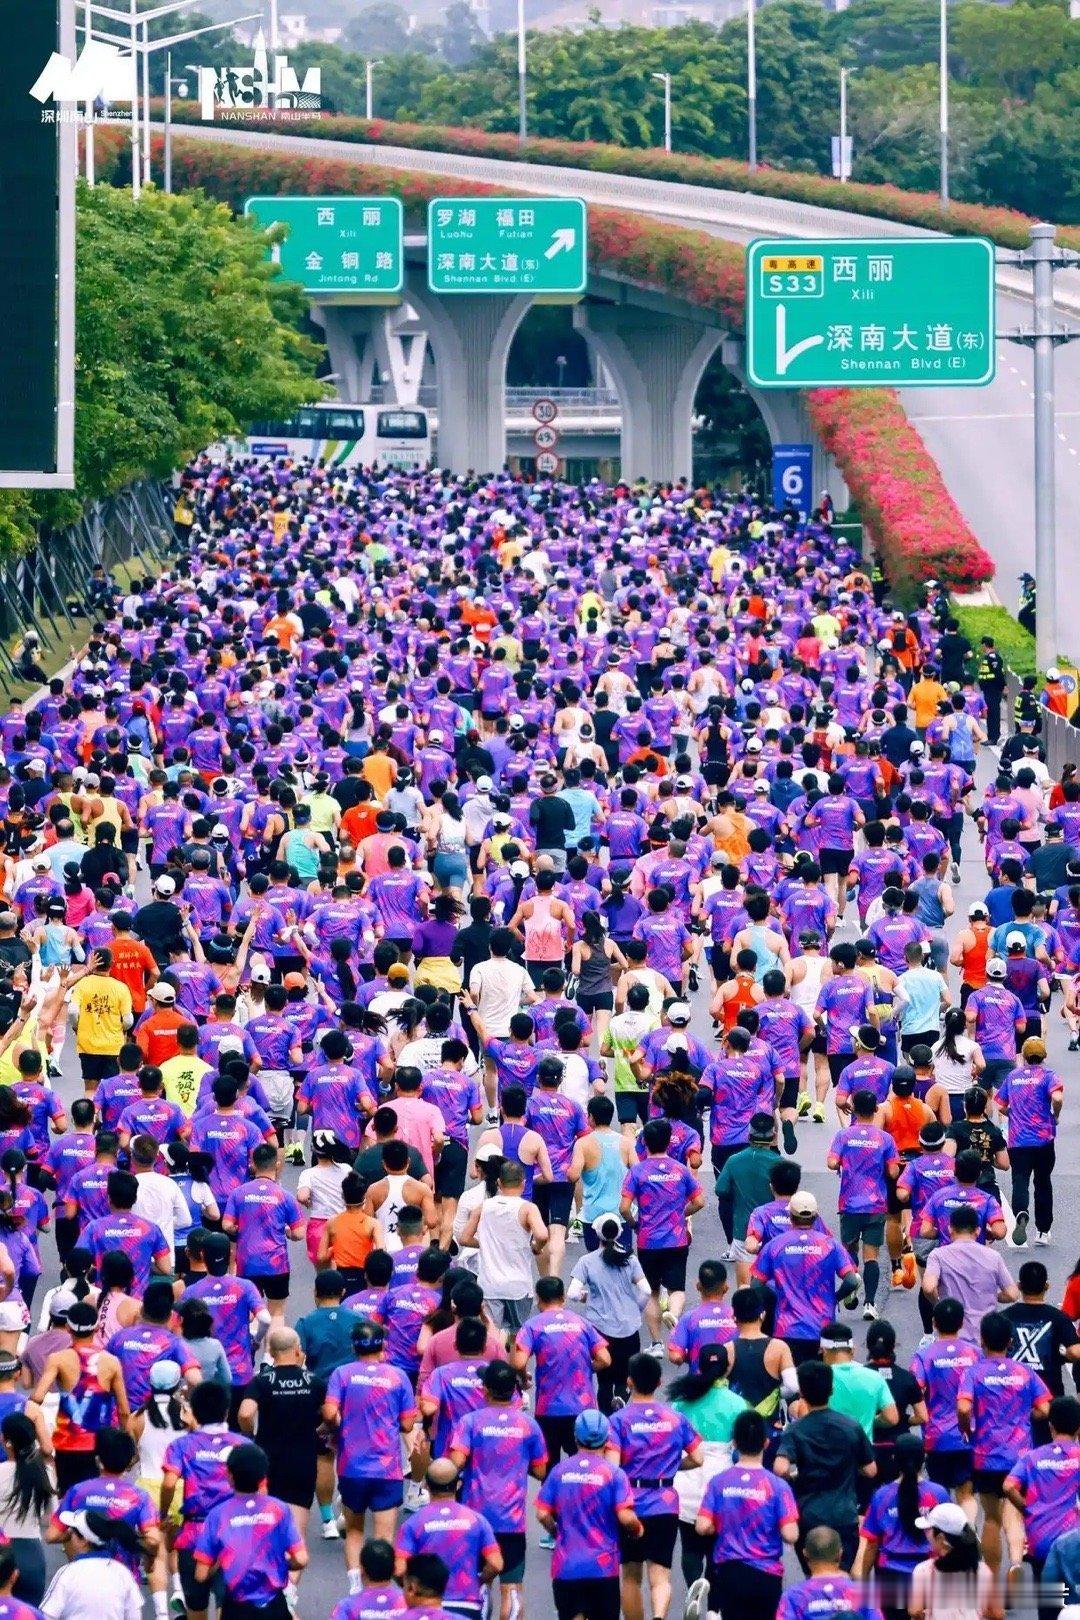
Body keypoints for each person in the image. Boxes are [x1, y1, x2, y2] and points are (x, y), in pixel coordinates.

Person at [691, 1407, 798, 1620]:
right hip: (767, 1574)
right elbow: (791, 1534)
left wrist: (720, 1525)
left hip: (729, 1571)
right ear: (766, 1443)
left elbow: (702, 1526)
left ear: (735, 1443)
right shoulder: (778, 1486)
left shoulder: (718, 1482)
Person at [535, 1408, 642, 1620]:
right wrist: (637, 1530)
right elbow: (626, 1517)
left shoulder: (559, 1471)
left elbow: (542, 1513)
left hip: (567, 1566)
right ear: (607, 1440)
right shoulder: (614, 1474)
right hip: (603, 1568)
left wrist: (556, 1531)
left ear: (575, 1438)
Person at [774, 1358, 876, 1571]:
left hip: (809, 1515)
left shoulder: (796, 1430)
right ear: (831, 1390)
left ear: (802, 1392)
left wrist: (794, 1476)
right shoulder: (851, 1426)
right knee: (842, 1574)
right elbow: (870, 1469)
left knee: (813, 1576)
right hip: (844, 1515)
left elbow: (780, 1468)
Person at [192, 1440, 308, 1620]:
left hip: (236, 1608)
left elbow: (201, 1574)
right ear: (263, 1477)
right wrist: (278, 1562)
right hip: (273, 1605)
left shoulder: (217, 1515)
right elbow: (301, 1559)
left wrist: (223, 1559)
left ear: (229, 1476)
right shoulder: (278, 1509)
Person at [40, 1509, 144, 1620]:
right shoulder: (123, 1573)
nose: (68, 1538)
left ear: (84, 1540)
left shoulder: (67, 1573)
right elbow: (134, 1616)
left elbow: (46, 1616)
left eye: (72, 1533)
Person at [908, 1502, 1000, 1620]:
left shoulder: (924, 1570)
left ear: (941, 1538)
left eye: (928, 1529)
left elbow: (915, 1611)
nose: (925, 1533)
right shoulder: (981, 1570)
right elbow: (998, 1613)